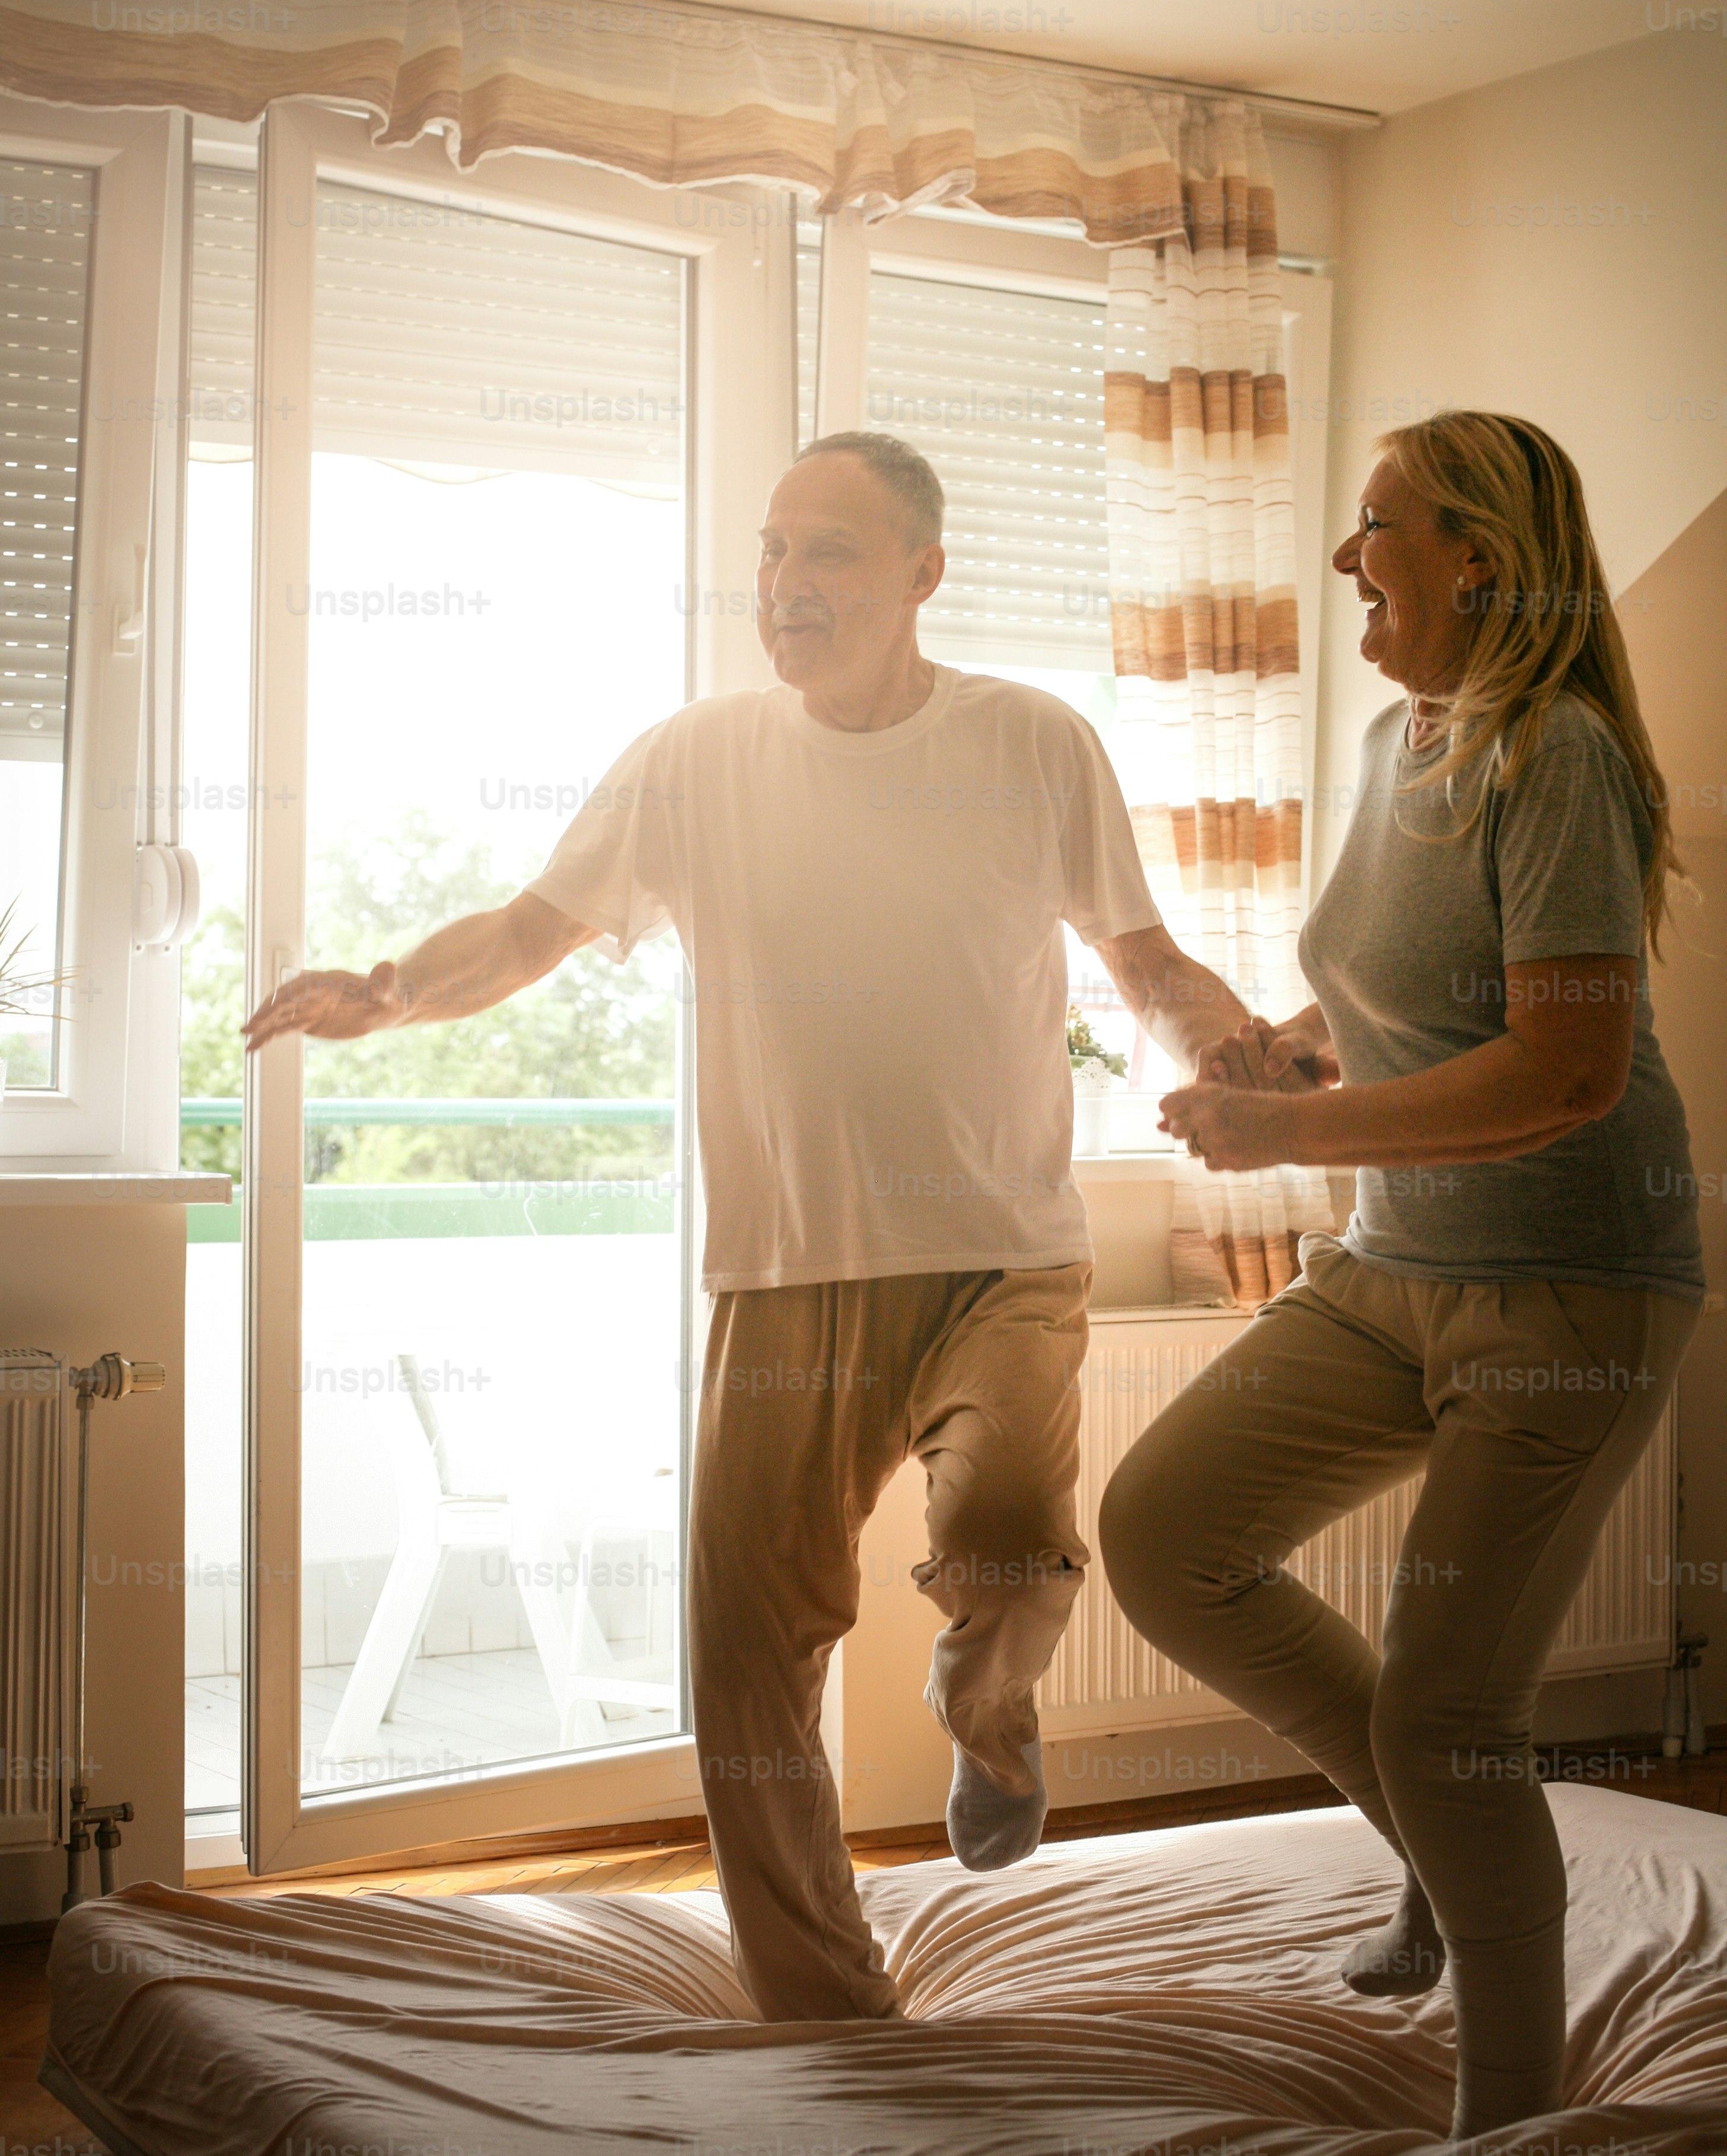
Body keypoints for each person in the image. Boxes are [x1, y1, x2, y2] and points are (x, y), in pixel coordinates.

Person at [246, 426, 1257, 2024]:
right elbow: (530, 928)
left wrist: (1238, 1049)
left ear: (923, 574)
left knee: (1003, 1536)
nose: (787, 584)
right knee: (748, 1662)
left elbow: (1142, 962)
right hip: (782, 1273)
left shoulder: (1035, 742)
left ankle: (988, 1713)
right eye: (774, 551)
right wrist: (387, 996)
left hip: (1000, 1249)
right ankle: (822, 2007)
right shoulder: (693, 759)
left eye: (830, 554)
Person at [1100, 412, 1705, 2141]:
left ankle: (1509, 2111)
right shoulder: (1395, 738)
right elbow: (1403, 995)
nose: (1352, 562)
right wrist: (1292, 1059)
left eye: (1381, 530)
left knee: (1452, 1712)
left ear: (1480, 562)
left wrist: (1296, 1137)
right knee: (1164, 1537)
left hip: (1568, 1291)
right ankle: (1438, 1855)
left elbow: (1566, 1076)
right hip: (1396, 1269)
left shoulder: (1557, 753)